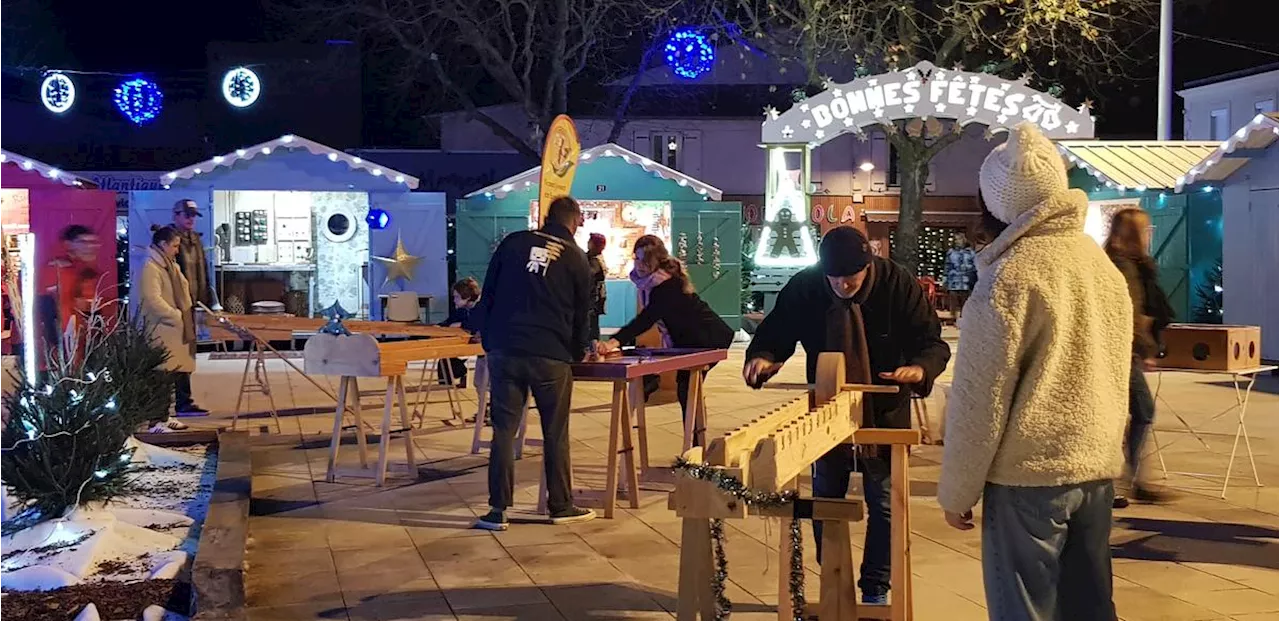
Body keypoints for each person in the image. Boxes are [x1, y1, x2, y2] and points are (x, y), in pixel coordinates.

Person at [937, 123, 1132, 621]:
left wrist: (958, 489)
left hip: (1029, 474)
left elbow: (981, 396)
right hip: (1096, 468)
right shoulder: (1100, 267)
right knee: (1090, 608)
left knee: (1024, 609)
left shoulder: (1010, 276)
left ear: (995, 203)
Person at [743, 225, 951, 605]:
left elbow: (931, 341)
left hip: (883, 407)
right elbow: (777, 332)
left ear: (868, 265)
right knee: (826, 495)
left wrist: (920, 368)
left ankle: (876, 588)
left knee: (884, 501)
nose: (842, 285)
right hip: (826, 409)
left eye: (850, 278)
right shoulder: (806, 286)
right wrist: (763, 357)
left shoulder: (897, 284)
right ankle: (833, 580)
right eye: (834, 279)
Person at [470, 196, 596, 530]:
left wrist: (487, 336)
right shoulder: (577, 259)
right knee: (555, 431)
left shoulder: (512, 243)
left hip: (504, 349)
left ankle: (497, 510)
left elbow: (489, 293)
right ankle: (560, 505)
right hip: (549, 353)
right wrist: (579, 350)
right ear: (575, 221)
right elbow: (583, 314)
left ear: (546, 217)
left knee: (503, 430)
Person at [596, 235, 733, 434]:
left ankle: (694, 447)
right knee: (689, 388)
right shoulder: (650, 283)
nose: (640, 265)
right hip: (690, 340)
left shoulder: (666, 284)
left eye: (645, 261)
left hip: (708, 337)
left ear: (657, 262)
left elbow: (647, 318)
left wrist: (614, 341)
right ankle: (696, 442)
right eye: (637, 258)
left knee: (688, 388)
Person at [1105, 208, 1175, 508]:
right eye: (1145, 230)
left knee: (1124, 413)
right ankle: (1124, 482)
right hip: (1121, 351)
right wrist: (1144, 348)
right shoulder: (1123, 266)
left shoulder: (1121, 262)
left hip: (1118, 349)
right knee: (1140, 411)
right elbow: (1129, 313)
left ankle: (1122, 482)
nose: (1149, 235)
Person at [138, 226, 198, 432]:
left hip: (172, 330)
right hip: (161, 329)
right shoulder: (151, 267)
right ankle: (156, 421)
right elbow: (151, 299)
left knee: (170, 374)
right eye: (174, 245)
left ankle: (165, 415)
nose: (177, 250)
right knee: (160, 375)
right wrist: (175, 315)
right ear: (162, 244)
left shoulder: (169, 265)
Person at [38, 225, 104, 368]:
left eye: (93, 242)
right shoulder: (55, 269)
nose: (90, 247)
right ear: (68, 244)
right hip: (59, 354)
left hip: (79, 348)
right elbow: (47, 313)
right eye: (84, 242)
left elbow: (90, 309)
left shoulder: (85, 271)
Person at [171, 199, 212, 415]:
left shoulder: (195, 239)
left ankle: (183, 400)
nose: (190, 219)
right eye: (187, 214)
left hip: (192, 305)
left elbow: (203, 271)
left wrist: (206, 302)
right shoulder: (169, 239)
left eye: (193, 215)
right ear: (175, 215)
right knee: (175, 354)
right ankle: (179, 402)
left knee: (186, 354)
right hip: (176, 306)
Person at [437, 277, 481, 389]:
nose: (454, 300)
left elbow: (476, 324)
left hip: (482, 342)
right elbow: (450, 321)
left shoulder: (481, 307)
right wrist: (439, 327)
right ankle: (454, 375)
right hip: (467, 339)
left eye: (457, 297)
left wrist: (461, 325)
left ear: (468, 297)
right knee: (444, 353)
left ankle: (460, 372)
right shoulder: (462, 309)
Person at [586, 233, 608, 342]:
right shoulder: (594, 258)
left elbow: (588, 275)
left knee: (591, 326)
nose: (588, 243)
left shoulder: (595, 260)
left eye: (590, 241)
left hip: (592, 299)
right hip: (594, 298)